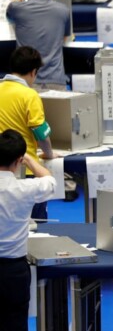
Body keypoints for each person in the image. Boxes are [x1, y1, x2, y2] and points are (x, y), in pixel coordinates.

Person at [0, 129, 56, 331]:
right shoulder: (24, 190)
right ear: (18, 160)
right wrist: (32, 160)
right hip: (13, 272)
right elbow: (51, 181)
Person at [0, 46, 57, 219]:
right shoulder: (30, 95)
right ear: (33, 72)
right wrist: (49, 154)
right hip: (26, 170)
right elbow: (41, 133)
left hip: (2, 167)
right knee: (35, 226)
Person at [6, 0, 71, 90]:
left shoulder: (18, 8)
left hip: (26, 83)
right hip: (55, 80)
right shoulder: (64, 11)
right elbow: (64, 39)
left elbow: (10, 10)